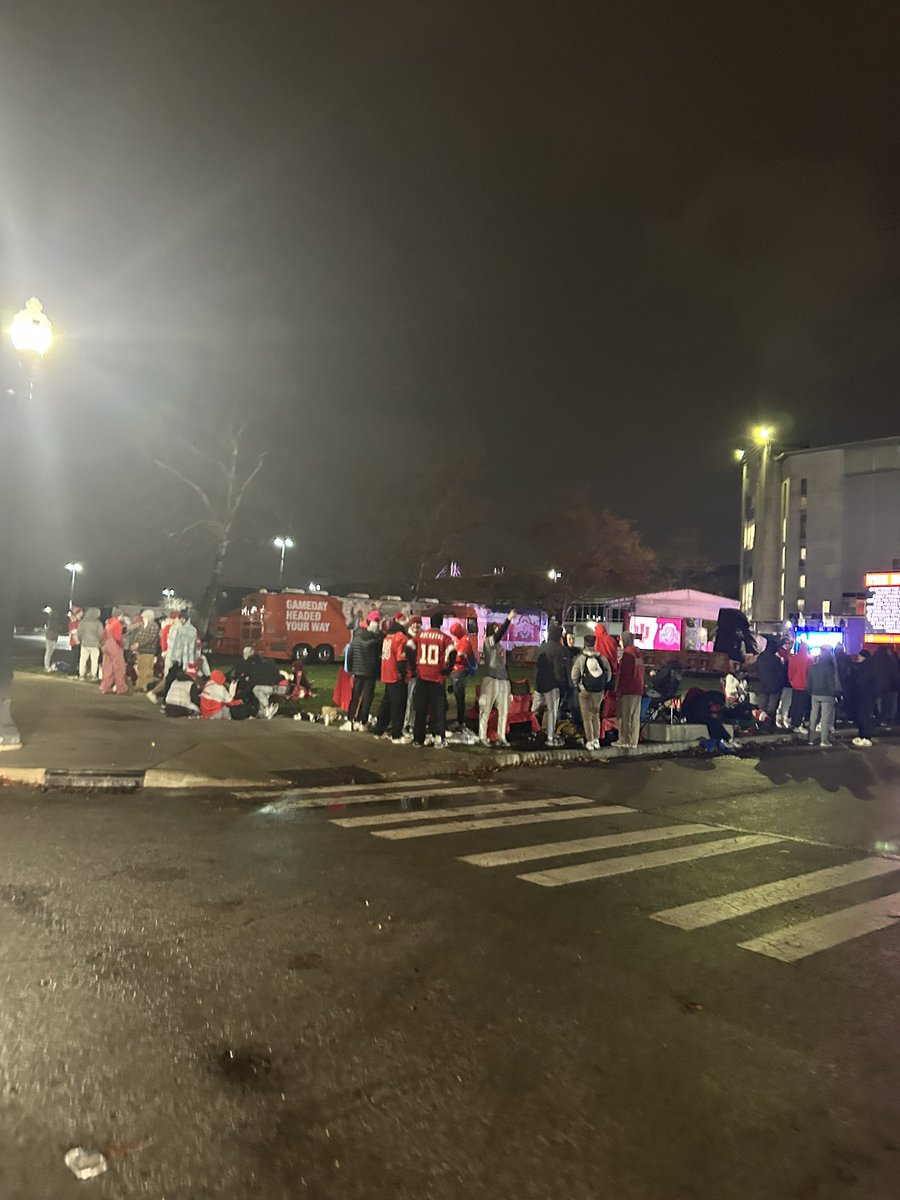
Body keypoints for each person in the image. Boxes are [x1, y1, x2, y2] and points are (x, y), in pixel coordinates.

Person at [412, 614, 455, 748]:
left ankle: (418, 739)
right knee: (438, 710)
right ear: (441, 623)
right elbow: (453, 652)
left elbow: (408, 646)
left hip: (422, 677)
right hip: (437, 678)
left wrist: (414, 667)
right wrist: (448, 669)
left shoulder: (420, 636)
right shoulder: (445, 638)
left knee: (421, 709)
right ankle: (438, 738)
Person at [478, 609, 516, 747]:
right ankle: (482, 736)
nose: (497, 630)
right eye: (495, 628)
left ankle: (501, 736)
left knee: (504, 710)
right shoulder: (489, 642)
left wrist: (509, 683)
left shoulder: (500, 646)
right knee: (486, 709)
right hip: (491, 678)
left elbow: (504, 665)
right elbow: (499, 635)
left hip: (503, 680)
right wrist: (509, 619)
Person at [373, 618, 413, 742]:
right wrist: (403, 674)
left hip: (387, 674)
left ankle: (379, 730)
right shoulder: (401, 638)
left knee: (386, 704)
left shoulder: (388, 637)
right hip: (396, 676)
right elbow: (401, 659)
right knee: (398, 706)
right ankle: (396, 734)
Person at [571, 633, 612, 750]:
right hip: (598, 692)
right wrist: (602, 685)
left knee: (586, 717)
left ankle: (589, 741)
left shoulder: (581, 658)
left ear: (584, 643)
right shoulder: (602, 658)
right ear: (594, 643)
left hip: (584, 691)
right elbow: (608, 675)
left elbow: (574, 675)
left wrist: (578, 685)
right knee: (596, 715)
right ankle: (596, 740)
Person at [344, 610, 382, 730]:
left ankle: (350, 720)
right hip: (370, 672)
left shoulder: (357, 636)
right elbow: (379, 655)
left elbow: (350, 653)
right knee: (367, 697)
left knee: (355, 696)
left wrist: (350, 668)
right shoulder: (377, 639)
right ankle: (362, 721)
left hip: (358, 671)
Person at [533, 622, 569, 747]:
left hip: (539, 684)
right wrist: (563, 686)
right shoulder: (559, 649)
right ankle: (549, 737)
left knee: (534, 710)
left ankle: (532, 731)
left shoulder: (541, 647)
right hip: (552, 685)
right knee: (552, 711)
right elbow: (559, 670)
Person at [806, 645, 840, 748]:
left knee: (813, 716)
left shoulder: (813, 667)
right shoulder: (829, 668)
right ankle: (824, 740)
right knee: (825, 718)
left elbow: (809, 681)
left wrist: (810, 691)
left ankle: (811, 739)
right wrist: (835, 694)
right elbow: (831, 683)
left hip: (815, 694)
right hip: (827, 695)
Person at [615, 630, 644, 748]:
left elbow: (625, 675)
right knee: (635, 717)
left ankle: (625, 740)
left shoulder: (627, 654)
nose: (620, 643)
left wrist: (619, 690)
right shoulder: (638, 654)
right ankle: (633, 741)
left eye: (621, 640)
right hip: (638, 689)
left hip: (628, 689)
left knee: (625, 716)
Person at [239, 646, 281, 718]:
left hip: (269, 686)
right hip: (276, 685)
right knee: (259, 693)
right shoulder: (267, 663)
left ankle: (266, 707)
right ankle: (266, 712)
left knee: (256, 689)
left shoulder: (251, 666)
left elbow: (253, 680)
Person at [448, 621, 476, 729]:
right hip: (455, 671)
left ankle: (460, 722)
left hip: (460, 671)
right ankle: (459, 721)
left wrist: (450, 658)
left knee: (460, 697)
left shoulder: (465, 640)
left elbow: (461, 658)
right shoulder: (459, 639)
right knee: (457, 695)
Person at [752, 635, 787, 721]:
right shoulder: (776, 659)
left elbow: (755, 669)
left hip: (763, 686)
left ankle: (759, 724)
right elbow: (781, 673)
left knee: (761, 708)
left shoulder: (760, 658)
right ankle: (770, 724)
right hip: (774, 687)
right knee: (772, 708)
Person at [852, 650, 881, 747]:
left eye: (860, 656)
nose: (858, 657)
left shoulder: (864, 667)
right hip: (867, 695)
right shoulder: (870, 666)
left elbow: (862, 681)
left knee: (864, 716)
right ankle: (863, 736)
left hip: (864, 695)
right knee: (864, 716)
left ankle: (865, 737)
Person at [127, 609, 160, 691]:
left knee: (147, 669)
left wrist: (139, 644)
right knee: (140, 668)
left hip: (149, 651)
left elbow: (150, 639)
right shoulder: (142, 625)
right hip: (140, 651)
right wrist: (135, 643)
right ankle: (140, 685)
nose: (143, 618)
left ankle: (146, 685)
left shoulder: (154, 626)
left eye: (144, 617)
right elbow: (137, 635)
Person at [403, 615, 423, 734]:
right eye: (414, 623)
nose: (416, 625)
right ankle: (406, 723)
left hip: (419, 673)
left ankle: (412, 722)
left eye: (418, 623)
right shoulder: (407, 637)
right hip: (409, 674)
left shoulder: (421, 637)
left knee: (416, 700)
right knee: (409, 700)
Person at [99, 616, 129, 695]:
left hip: (106, 645)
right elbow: (118, 638)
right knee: (119, 667)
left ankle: (105, 687)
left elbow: (104, 634)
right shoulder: (117, 624)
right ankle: (120, 688)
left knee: (107, 667)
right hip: (114, 646)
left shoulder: (108, 623)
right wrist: (122, 645)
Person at [786, 642, 812, 730]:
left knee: (795, 704)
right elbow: (810, 673)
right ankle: (797, 724)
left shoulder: (793, 658)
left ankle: (792, 721)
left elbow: (790, 672)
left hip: (795, 684)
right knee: (802, 706)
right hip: (805, 685)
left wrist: (791, 681)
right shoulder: (809, 659)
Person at [76, 607, 104, 681]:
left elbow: (79, 632)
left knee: (83, 660)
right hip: (95, 644)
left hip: (85, 643)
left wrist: (81, 639)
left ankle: (81, 675)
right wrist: (100, 642)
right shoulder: (98, 623)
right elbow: (100, 634)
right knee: (94, 661)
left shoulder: (83, 622)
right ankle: (93, 675)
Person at [43, 608, 62, 672]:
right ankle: (47, 666)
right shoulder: (53, 622)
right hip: (51, 638)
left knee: (49, 653)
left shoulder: (51, 620)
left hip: (50, 637)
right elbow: (55, 630)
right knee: (49, 653)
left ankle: (48, 666)